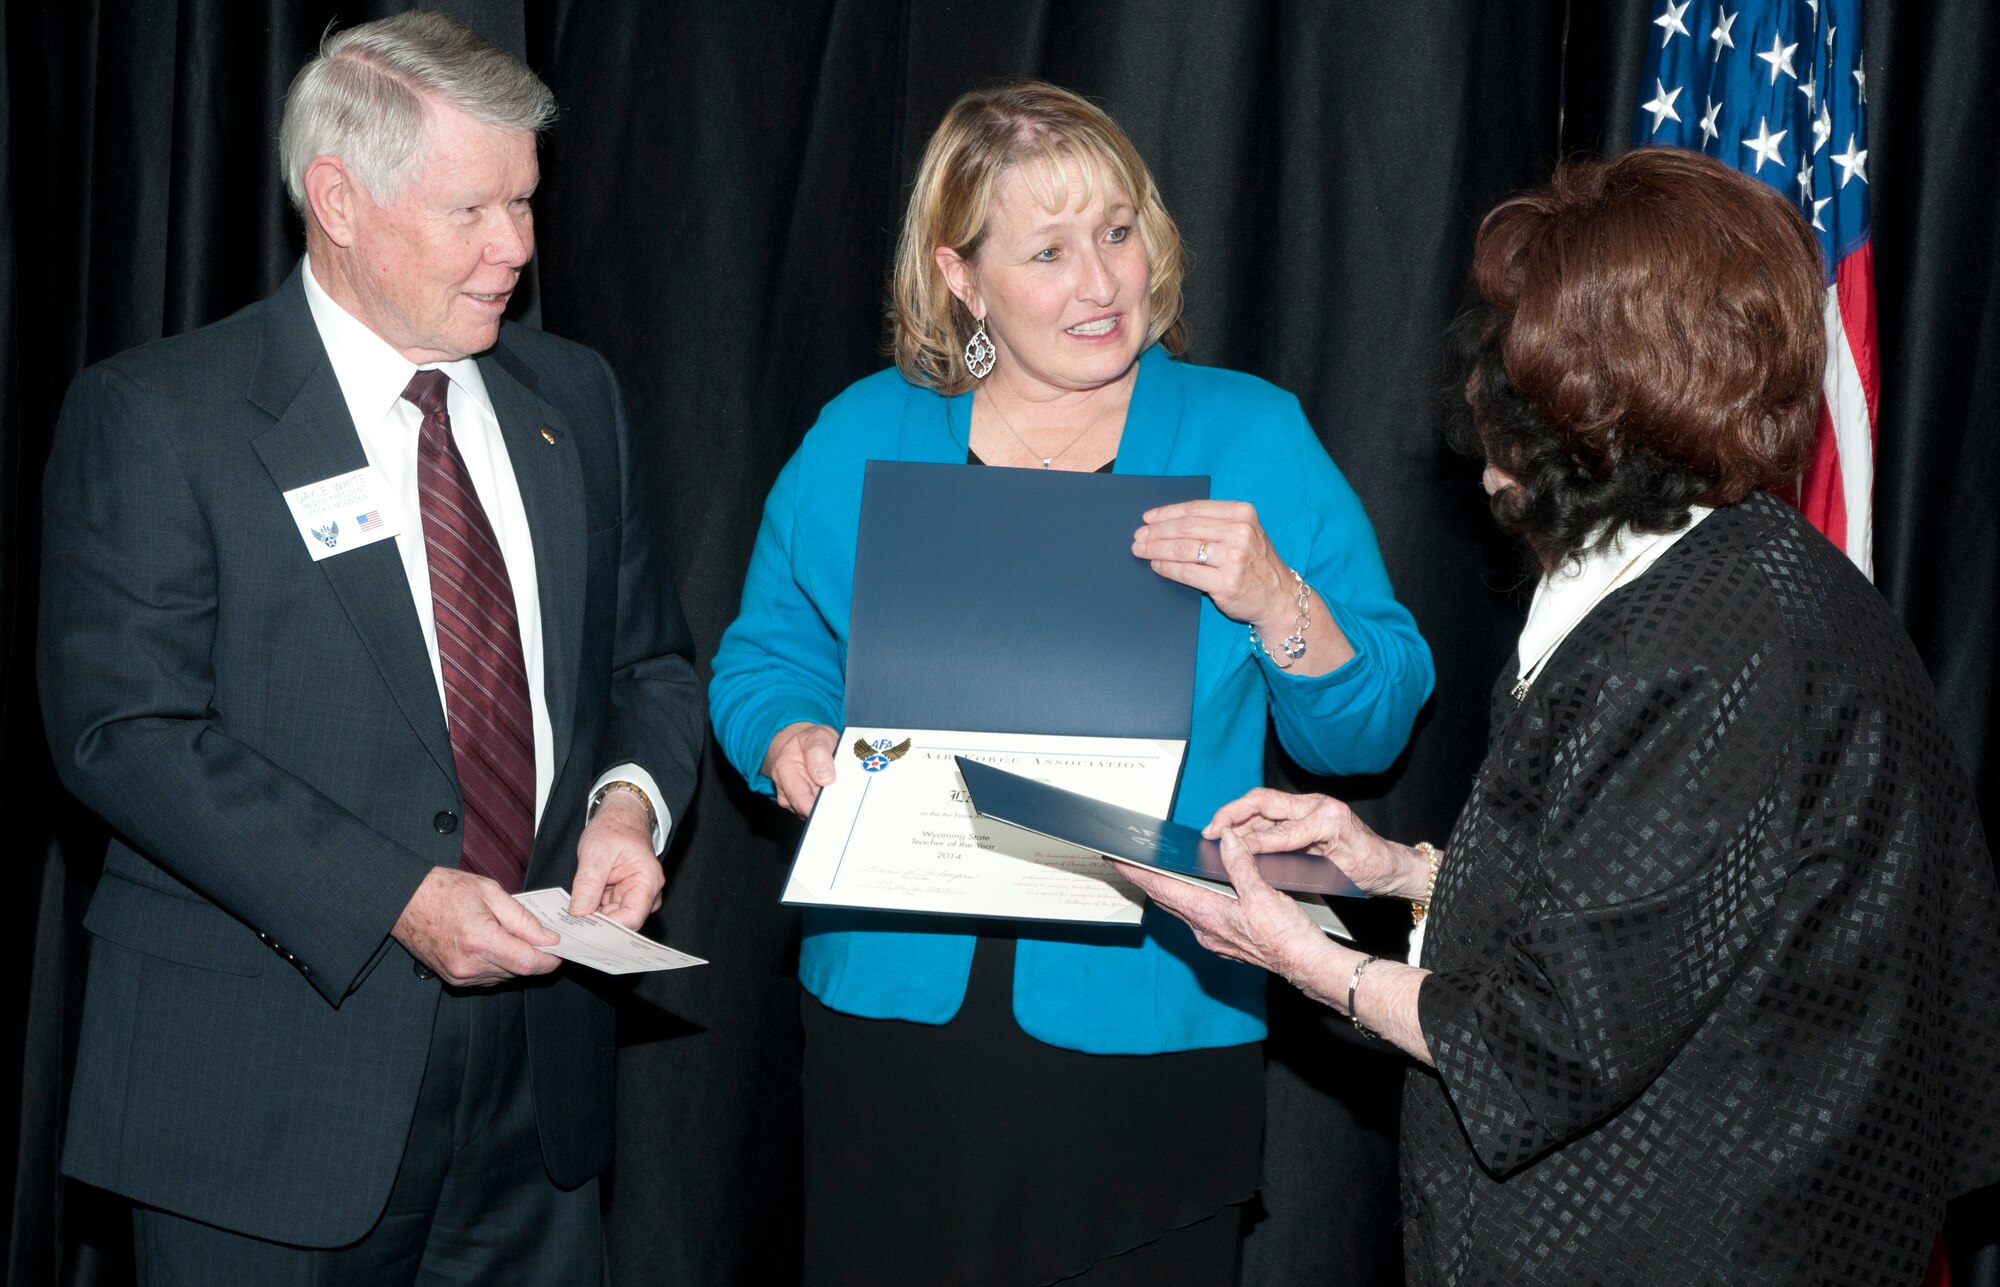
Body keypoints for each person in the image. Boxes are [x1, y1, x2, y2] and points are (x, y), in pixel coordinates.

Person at [1121, 146, 2000, 1285]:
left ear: (1591, 392)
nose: (1481, 378)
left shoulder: (1705, 646)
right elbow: (1650, 913)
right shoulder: (1704, 565)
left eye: (1513, 347)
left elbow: (1549, 1042)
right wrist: (1398, 871)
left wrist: (1302, 960)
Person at [708, 81, 1432, 1284]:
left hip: (1151, 1011)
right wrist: (785, 737)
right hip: (895, 1020)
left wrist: (1275, 602)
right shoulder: (862, 431)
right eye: (1046, 251)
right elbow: (763, 653)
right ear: (960, 275)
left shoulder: (1246, 433)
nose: (1101, 283)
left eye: (1117, 231)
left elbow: (1373, 723)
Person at [37, 12, 704, 1283]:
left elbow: (645, 668)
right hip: (264, 1092)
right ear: (336, 200)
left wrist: (627, 808)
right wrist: (395, 899)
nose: (515, 247)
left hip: (538, 1097)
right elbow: (124, 733)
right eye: (471, 211)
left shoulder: (573, 399)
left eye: (523, 202)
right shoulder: (161, 416)